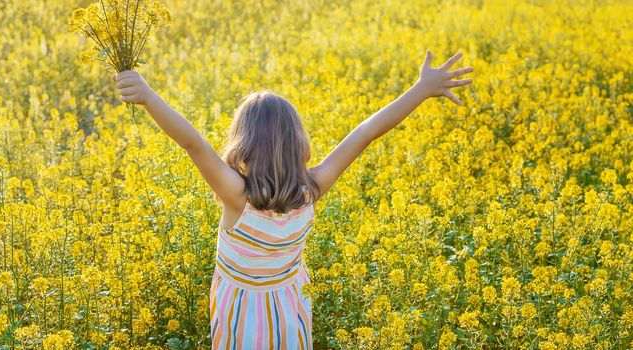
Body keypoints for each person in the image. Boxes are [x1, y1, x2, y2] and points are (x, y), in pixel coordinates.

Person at [111, 49, 473, 349]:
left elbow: (193, 143)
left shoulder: (237, 197)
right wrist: (421, 89)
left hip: (241, 313)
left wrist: (148, 97)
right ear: (297, 142)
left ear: (244, 144)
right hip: (289, 306)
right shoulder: (312, 189)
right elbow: (365, 133)